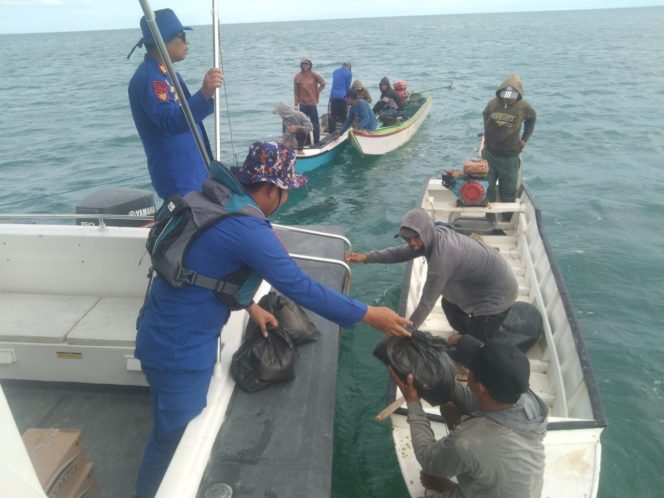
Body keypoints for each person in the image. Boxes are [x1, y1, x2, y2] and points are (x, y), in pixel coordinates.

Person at [134, 141, 411, 498]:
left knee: (164, 427)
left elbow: (209, 266)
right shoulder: (248, 230)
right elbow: (300, 286)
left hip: (158, 327)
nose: (286, 199)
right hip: (179, 350)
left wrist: (252, 306)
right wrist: (369, 314)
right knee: (172, 438)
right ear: (269, 189)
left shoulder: (216, 196)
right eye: (285, 191)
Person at [391, 334, 548, 497]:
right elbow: (472, 392)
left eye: (470, 367)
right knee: (449, 409)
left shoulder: (470, 440)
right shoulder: (523, 398)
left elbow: (427, 458)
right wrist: (459, 343)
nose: (464, 366)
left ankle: (452, 488)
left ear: (480, 388)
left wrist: (413, 402)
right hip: (509, 485)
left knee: (432, 469)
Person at [345, 208, 518, 343]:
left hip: (498, 295)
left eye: (415, 237)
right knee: (449, 304)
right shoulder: (433, 235)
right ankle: (475, 331)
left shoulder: (441, 259)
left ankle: (477, 343)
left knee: (474, 348)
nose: (412, 243)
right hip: (482, 283)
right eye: (407, 239)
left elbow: (426, 303)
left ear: (426, 231)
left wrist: (406, 333)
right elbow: (399, 254)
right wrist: (366, 258)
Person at [127, 8, 223, 200]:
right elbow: (170, 121)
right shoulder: (150, 79)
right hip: (180, 179)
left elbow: (187, 115)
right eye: (181, 35)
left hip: (194, 172)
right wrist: (204, 93)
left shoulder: (168, 74)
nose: (187, 41)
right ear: (163, 40)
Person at [482, 74, 536, 220]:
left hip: (509, 158)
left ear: (518, 94)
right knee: (488, 189)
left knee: (509, 192)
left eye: (513, 94)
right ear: (501, 91)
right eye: (506, 93)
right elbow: (485, 115)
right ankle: (489, 218)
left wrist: (524, 139)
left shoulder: (524, 107)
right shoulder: (492, 104)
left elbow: (531, 119)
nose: (509, 97)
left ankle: (506, 219)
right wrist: (488, 135)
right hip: (489, 155)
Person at [293, 56, 325, 144]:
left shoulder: (314, 75)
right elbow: (296, 92)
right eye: (303, 64)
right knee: (303, 125)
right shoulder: (297, 77)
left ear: (310, 65)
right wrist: (296, 105)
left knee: (315, 124)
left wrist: (316, 93)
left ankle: (316, 142)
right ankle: (306, 142)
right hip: (302, 104)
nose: (305, 65)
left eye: (307, 64)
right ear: (301, 65)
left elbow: (323, 83)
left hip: (312, 104)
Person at [327, 62, 352, 133]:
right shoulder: (349, 74)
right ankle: (344, 132)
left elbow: (334, 84)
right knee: (344, 116)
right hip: (342, 96)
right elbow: (348, 87)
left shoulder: (335, 71)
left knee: (333, 115)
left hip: (333, 95)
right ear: (349, 67)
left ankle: (331, 132)